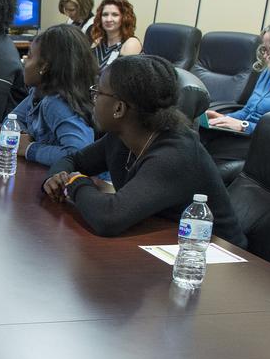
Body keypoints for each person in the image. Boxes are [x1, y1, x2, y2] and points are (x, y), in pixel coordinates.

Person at [43, 54, 245, 244]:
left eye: (98, 93)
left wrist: (76, 183)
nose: (93, 100)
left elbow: (109, 218)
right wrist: (56, 178)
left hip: (213, 258)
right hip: (161, 242)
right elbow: (73, 160)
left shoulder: (174, 153)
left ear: (119, 109)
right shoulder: (121, 136)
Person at [12, 24, 99, 167]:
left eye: (30, 56)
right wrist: (23, 134)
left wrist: (29, 148)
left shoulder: (56, 103)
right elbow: (11, 120)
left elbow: (79, 154)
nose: (25, 61)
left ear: (44, 66)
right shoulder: (38, 92)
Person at [90, 0, 142, 69]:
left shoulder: (131, 43)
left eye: (115, 15)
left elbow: (123, 78)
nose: (108, 19)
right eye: (105, 14)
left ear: (124, 18)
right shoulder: (97, 41)